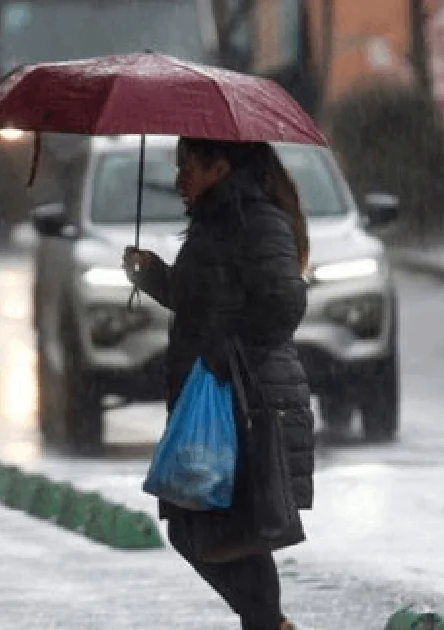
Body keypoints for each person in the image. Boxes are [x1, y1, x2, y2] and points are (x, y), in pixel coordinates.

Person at [122, 138, 316, 630]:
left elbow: (284, 304)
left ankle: (268, 623)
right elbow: (205, 299)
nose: (178, 179)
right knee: (208, 527)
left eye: (187, 165)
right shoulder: (217, 221)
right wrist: (154, 278)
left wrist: (225, 354)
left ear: (219, 166)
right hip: (217, 391)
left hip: (248, 399)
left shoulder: (257, 220)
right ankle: (268, 623)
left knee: (219, 529)